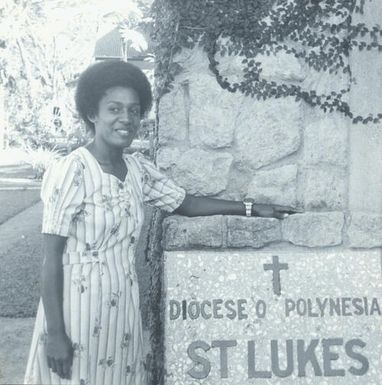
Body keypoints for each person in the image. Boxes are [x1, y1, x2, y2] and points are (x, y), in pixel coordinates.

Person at [24, 60, 299, 385]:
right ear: (92, 113)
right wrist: (55, 333)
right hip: (76, 313)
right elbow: (50, 257)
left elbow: (188, 203)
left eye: (134, 110)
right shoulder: (72, 170)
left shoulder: (138, 170)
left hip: (121, 309)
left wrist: (253, 208)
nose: (126, 118)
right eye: (114, 109)